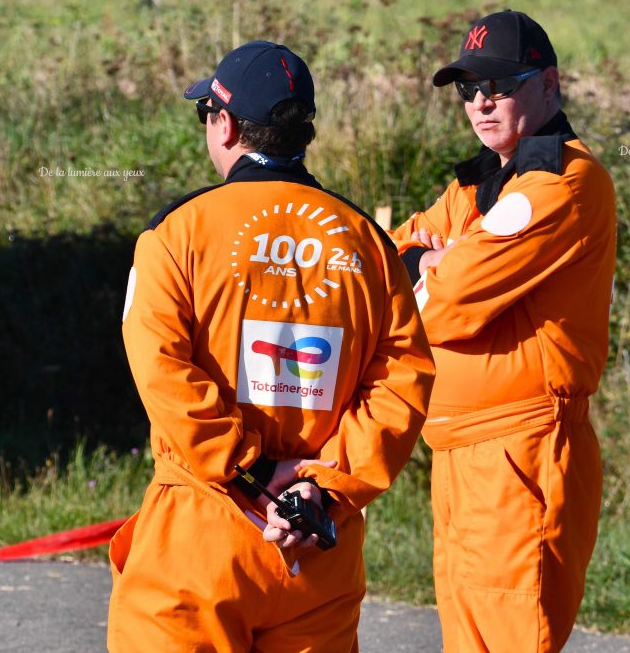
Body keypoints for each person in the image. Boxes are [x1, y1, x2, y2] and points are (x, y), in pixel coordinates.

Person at [107, 40, 434, 653]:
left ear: (224, 124)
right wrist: (326, 488)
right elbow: (404, 380)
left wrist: (252, 471)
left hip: (202, 536)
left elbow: (162, 370)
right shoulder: (368, 242)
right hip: (315, 543)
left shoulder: (176, 232)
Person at [389, 10, 616, 653]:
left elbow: (453, 296)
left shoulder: (560, 181)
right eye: (467, 90)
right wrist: (425, 260)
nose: (481, 104)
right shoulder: (484, 185)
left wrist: (439, 264)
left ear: (548, 83)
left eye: (500, 85)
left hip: (523, 450)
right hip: (461, 454)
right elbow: (385, 264)